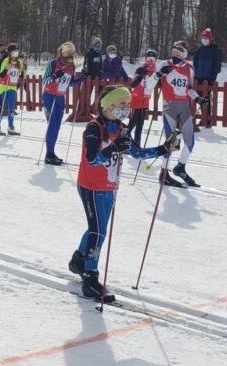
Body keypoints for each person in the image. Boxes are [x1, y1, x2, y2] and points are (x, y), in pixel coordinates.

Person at [68, 86, 179, 302]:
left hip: (109, 186)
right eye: (121, 105)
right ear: (108, 106)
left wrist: (163, 149)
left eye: (127, 105)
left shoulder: (120, 129)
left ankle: (79, 259)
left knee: (97, 228)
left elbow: (136, 152)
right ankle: (90, 278)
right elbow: (92, 159)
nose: (126, 109)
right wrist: (113, 148)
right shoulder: (94, 128)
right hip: (91, 186)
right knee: (98, 232)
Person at [156, 41, 205, 187]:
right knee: (170, 142)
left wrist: (198, 98)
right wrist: (159, 74)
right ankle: (163, 174)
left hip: (184, 107)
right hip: (169, 106)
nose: (175, 53)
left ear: (184, 53)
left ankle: (180, 167)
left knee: (190, 141)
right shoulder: (165, 64)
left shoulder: (189, 68)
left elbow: (189, 88)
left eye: (178, 51)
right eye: (173, 50)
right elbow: (154, 81)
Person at [41, 42, 84, 166]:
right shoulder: (54, 64)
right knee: (52, 126)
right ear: (61, 52)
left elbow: (70, 83)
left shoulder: (72, 67)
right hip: (50, 96)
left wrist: (81, 78)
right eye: (67, 52)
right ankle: (49, 154)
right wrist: (54, 76)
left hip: (60, 97)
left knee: (57, 127)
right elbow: (45, 81)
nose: (69, 55)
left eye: (71, 52)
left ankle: (52, 152)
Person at [192, 28, 222, 128]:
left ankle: (207, 119)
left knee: (207, 98)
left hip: (209, 79)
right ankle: (201, 117)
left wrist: (212, 79)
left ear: (210, 39)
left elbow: (217, 67)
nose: (204, 39)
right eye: (203, 38)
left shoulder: (216, 51)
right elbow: (195, 65)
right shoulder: (198, 51)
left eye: (206, 38)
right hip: (198, 78)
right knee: (199, 98)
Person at [128, 50, 158, 145]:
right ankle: (123, 141)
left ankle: (137, 143)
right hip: (136, 100)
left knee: (140, 124)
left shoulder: (155, 72)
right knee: (132, 123)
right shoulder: (140, 69)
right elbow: (133, 84)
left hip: (145, 101)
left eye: (153, 59)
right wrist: (141, 75)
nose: (150, 61)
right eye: (149, 58)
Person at [0, 43, 25, 137]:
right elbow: (1, 75)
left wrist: (24, 69)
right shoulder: (6, 61)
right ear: (10, 53)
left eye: (17, 51)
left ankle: (11, 127)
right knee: (2, 107)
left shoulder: (20, 63)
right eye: (14, 51)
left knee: (11, 108)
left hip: (12, 87)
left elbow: (21, 75)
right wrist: (7, 69)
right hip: (4, 87)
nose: (16, 53)